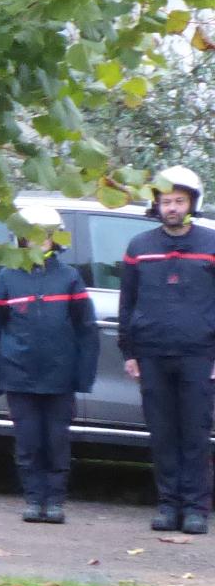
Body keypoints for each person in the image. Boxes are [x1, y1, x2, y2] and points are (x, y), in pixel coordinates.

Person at [0, 201, 99, 525]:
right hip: (19, 376)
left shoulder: (70, 278)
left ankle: (55, 500)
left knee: (57, 441)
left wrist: (83, 376)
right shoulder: (7, 277)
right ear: (19, 239)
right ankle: (33, 499)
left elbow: (87, 331)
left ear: (54, 238)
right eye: (29, 236)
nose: (36, 242)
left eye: (43, 236)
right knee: (28, 441)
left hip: (59, 378)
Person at [118, 165, 215, 534]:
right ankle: (167, 505)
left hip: (198, 355)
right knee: (162, 434)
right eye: (165, 202)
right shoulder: (140, 247)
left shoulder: (211, 244)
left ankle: (194, 509)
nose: (171, 208)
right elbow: (128, 302)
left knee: (195, 433)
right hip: (152, 354)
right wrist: (129, 351)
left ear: (192, 203)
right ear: (156, 205)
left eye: (179, 201)